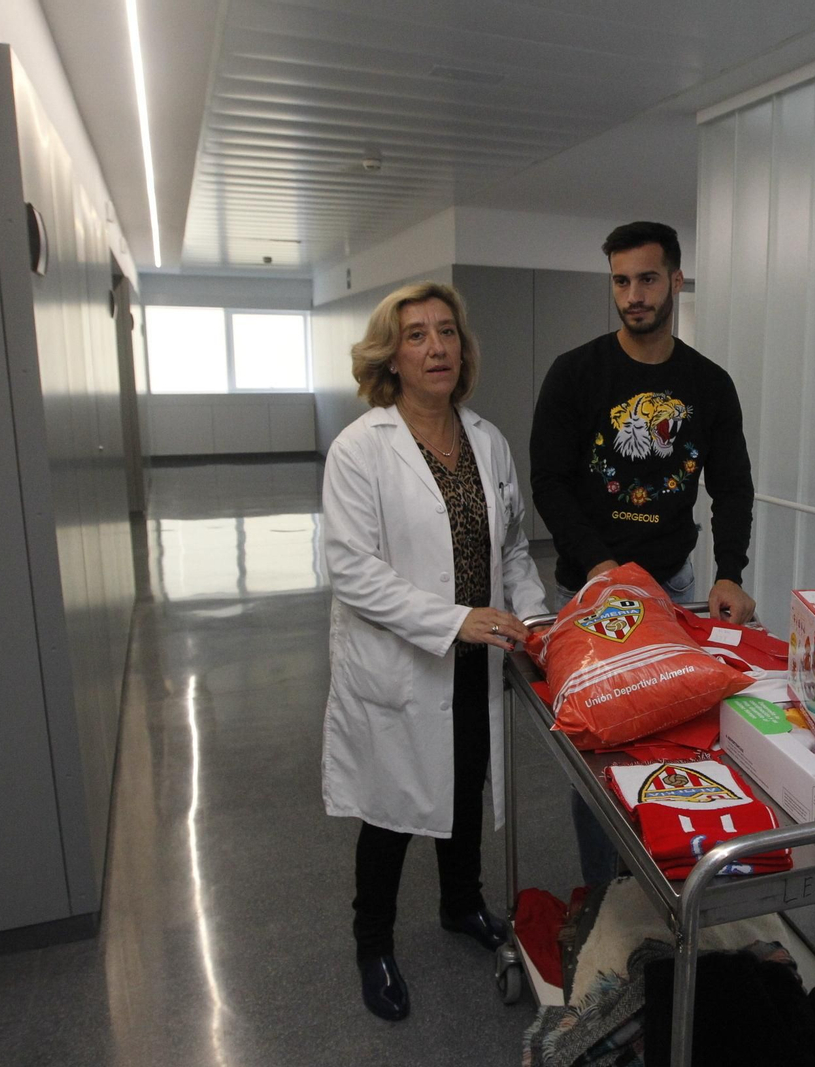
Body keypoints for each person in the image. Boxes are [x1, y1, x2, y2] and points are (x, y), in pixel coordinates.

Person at [321, 281, 548, 1022]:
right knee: (391, 808)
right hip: (403, 661)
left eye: (446, 331)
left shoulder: (486, 438)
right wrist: (455, 621)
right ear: (391, 355)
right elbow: (354, 571)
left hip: (475, 656)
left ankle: (461, 905)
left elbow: (510, 544)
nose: (436, 346)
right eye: (416, 334)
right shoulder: (362, 448)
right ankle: (372, 941)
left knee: (465, 780)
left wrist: (535, 620)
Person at [530, 221, 756, 884]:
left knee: (673, 740)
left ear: (676, 280)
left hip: (675, 584)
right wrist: (601, 566)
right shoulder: (575, 373)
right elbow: (550, 478)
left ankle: (666, 882)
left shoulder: (709, 384)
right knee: (601, 755)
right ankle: (609, 899)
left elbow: (733, 483)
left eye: (648, 278)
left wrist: (731, 570)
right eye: (621, 280)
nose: (634, 294)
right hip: (591, 592)